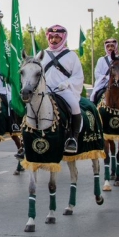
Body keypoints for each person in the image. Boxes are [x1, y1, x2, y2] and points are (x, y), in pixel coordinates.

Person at [39, 25, 84, 154]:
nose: (53, 39)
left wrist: (67, 83)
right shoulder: (41, 54)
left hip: (63, 91)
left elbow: (78, 75)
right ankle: (25, 140)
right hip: (45, 91)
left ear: (63, 38)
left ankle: (73, 138)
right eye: (51, 37)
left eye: (57, 37)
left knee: (75, 106)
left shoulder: (71, 55)